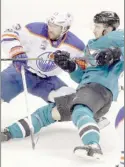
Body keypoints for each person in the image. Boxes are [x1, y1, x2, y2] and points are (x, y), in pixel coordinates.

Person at [1, 11, 124, 161]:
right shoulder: (90, 46)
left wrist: (116, 53)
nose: (94, 30)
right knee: (48, 113)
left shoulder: (119, 38)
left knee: (80, 108)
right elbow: (82, 77)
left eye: (97, 26)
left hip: (99, 90)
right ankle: (8, 133)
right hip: (85, 89)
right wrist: (71, 67)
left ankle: (93, 145)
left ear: (109, 28)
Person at [1, 12, 85, 104]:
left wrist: (72, 67)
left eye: (56, 26)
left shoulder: (77, 46)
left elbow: (84, 71)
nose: (50, 29)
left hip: (47, 80)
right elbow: (8, 33)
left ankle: (39, 118)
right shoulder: (34, 29)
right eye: (50, 24)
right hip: (22, 71)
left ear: (65, 29)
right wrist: (16, 51)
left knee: (71, 101)